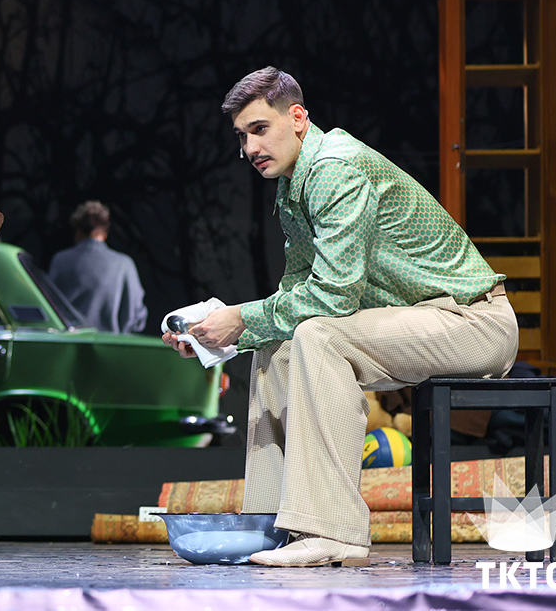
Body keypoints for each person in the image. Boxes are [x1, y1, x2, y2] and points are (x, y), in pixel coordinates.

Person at [163, 66, 517, 567]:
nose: (250, 148)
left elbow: (333, 297)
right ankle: (272, 526)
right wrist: (217, 337)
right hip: (420, 321)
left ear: (297, 118)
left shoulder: (336, 169)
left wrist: (240, 318)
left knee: (319, 336)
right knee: (279, 347)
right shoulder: (295, 186)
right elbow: (296, 295)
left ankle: (334, 531)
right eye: (241, 137)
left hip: (474, 322)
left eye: (260, 129)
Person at [48, 200, 148, 334]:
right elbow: (136, 315)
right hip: (111, 344)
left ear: (78, 232)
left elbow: (49, 305)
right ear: (105, 233)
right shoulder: (124, 264)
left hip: (69, 341)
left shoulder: (61, 260)